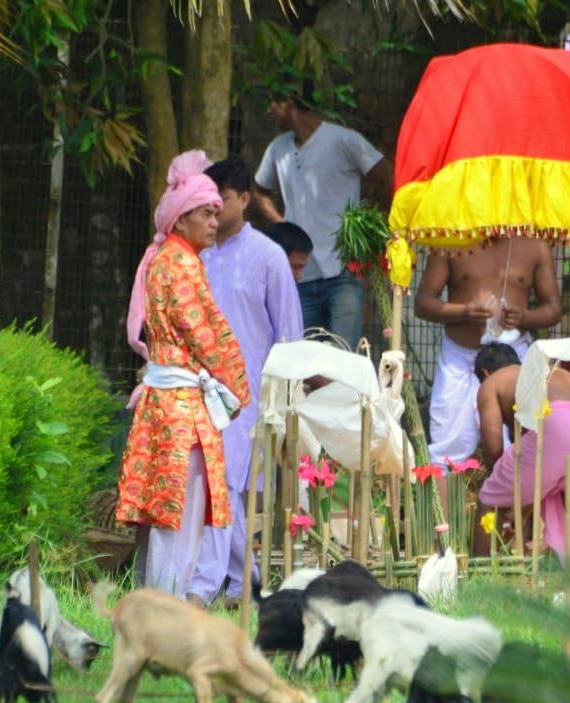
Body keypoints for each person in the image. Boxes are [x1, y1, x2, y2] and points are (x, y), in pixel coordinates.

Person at [117, 150, 250, 598]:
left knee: (173, 516)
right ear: (180, 219)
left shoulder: (170, 259)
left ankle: (159, 607)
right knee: (179, 516)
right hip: (180, 411)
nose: (215, 221)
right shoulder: (179, 262)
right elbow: (202, 334)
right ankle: (164, 610)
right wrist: (236, 384)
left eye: (217, 212)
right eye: (206, 213)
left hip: (173, 403)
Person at [189, 157, 304, 609]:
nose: (213, 214)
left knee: (225, 486)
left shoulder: (268, 257)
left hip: (248, 396)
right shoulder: (196, 252)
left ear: (244, 199)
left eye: (220, 203)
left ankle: (207, 588)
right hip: (195, 389)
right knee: (215, 487)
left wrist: (285, 403)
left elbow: (290, 335)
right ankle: (243, 583)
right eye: (207, 206)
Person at [251, 80, 394, 349]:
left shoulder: (343, 140)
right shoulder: (278, 148)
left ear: (290, 104)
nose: (270, 111)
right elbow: (259, 190)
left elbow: (386, 174)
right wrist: (283, 225)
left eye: (275, 103)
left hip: (344, 270)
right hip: (301, 273)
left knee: (344, 354)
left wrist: (377, 225)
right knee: (300, 355)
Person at [414, 237, 561, 468]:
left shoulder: (535, 246)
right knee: (447, 450)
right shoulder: (450, 240)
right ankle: (446, 502)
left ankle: (509, 502)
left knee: (519, 447)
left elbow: (553, 308)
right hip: (458, 357)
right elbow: (423, 303)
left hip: (512, 360)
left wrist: (524, 317)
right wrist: (463, 312)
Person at [470, 344, 570, 561]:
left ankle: (479, 575)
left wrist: (502, 491)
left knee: (489, 499)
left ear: (485, 374)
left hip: (561, 423)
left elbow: (493, 448)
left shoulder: (490, 384)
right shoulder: (542, 373)